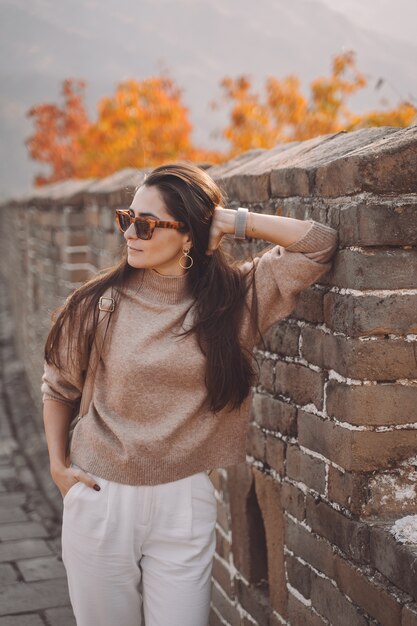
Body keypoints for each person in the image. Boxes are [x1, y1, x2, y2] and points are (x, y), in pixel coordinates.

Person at [41, 161, 338, 626]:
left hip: (185, 501)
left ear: (189, 236)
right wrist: (58, 466)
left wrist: (234, 221)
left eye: (146, 223)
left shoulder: (235, 300)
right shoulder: (98, 303)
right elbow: (58, 386)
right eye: (127, 218)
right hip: (102, 496)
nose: (130, 234)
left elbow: (318, 245)